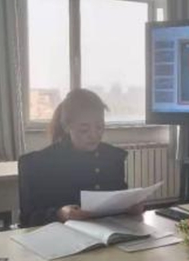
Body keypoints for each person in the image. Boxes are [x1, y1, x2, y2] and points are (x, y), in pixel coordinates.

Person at [18, 89, 143, 227]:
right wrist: (60, 214)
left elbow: (119, 198)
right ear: (67, 127)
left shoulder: (112, 157)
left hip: (109, 231)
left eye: (99, 127)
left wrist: (130, 207)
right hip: (64, 234)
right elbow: (28, 219)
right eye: (84, 129)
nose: (94, 135)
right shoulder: (40, 163)